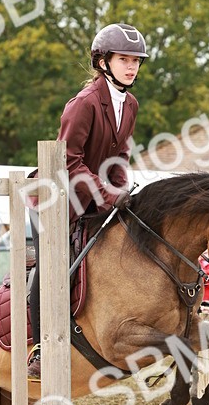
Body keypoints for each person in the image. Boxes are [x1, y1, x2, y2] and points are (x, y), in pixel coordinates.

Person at [28, 22, 148, 376]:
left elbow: (119, 159)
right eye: (124, 59)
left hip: (97, 201)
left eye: (136, 61)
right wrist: (107, 194)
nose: (131, 67)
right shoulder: (83, 104)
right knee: (52, 268)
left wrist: (124, 191)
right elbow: (69, 161)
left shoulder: (131, 104)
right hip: (55, 202)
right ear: (102, 62)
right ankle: (40, 347)